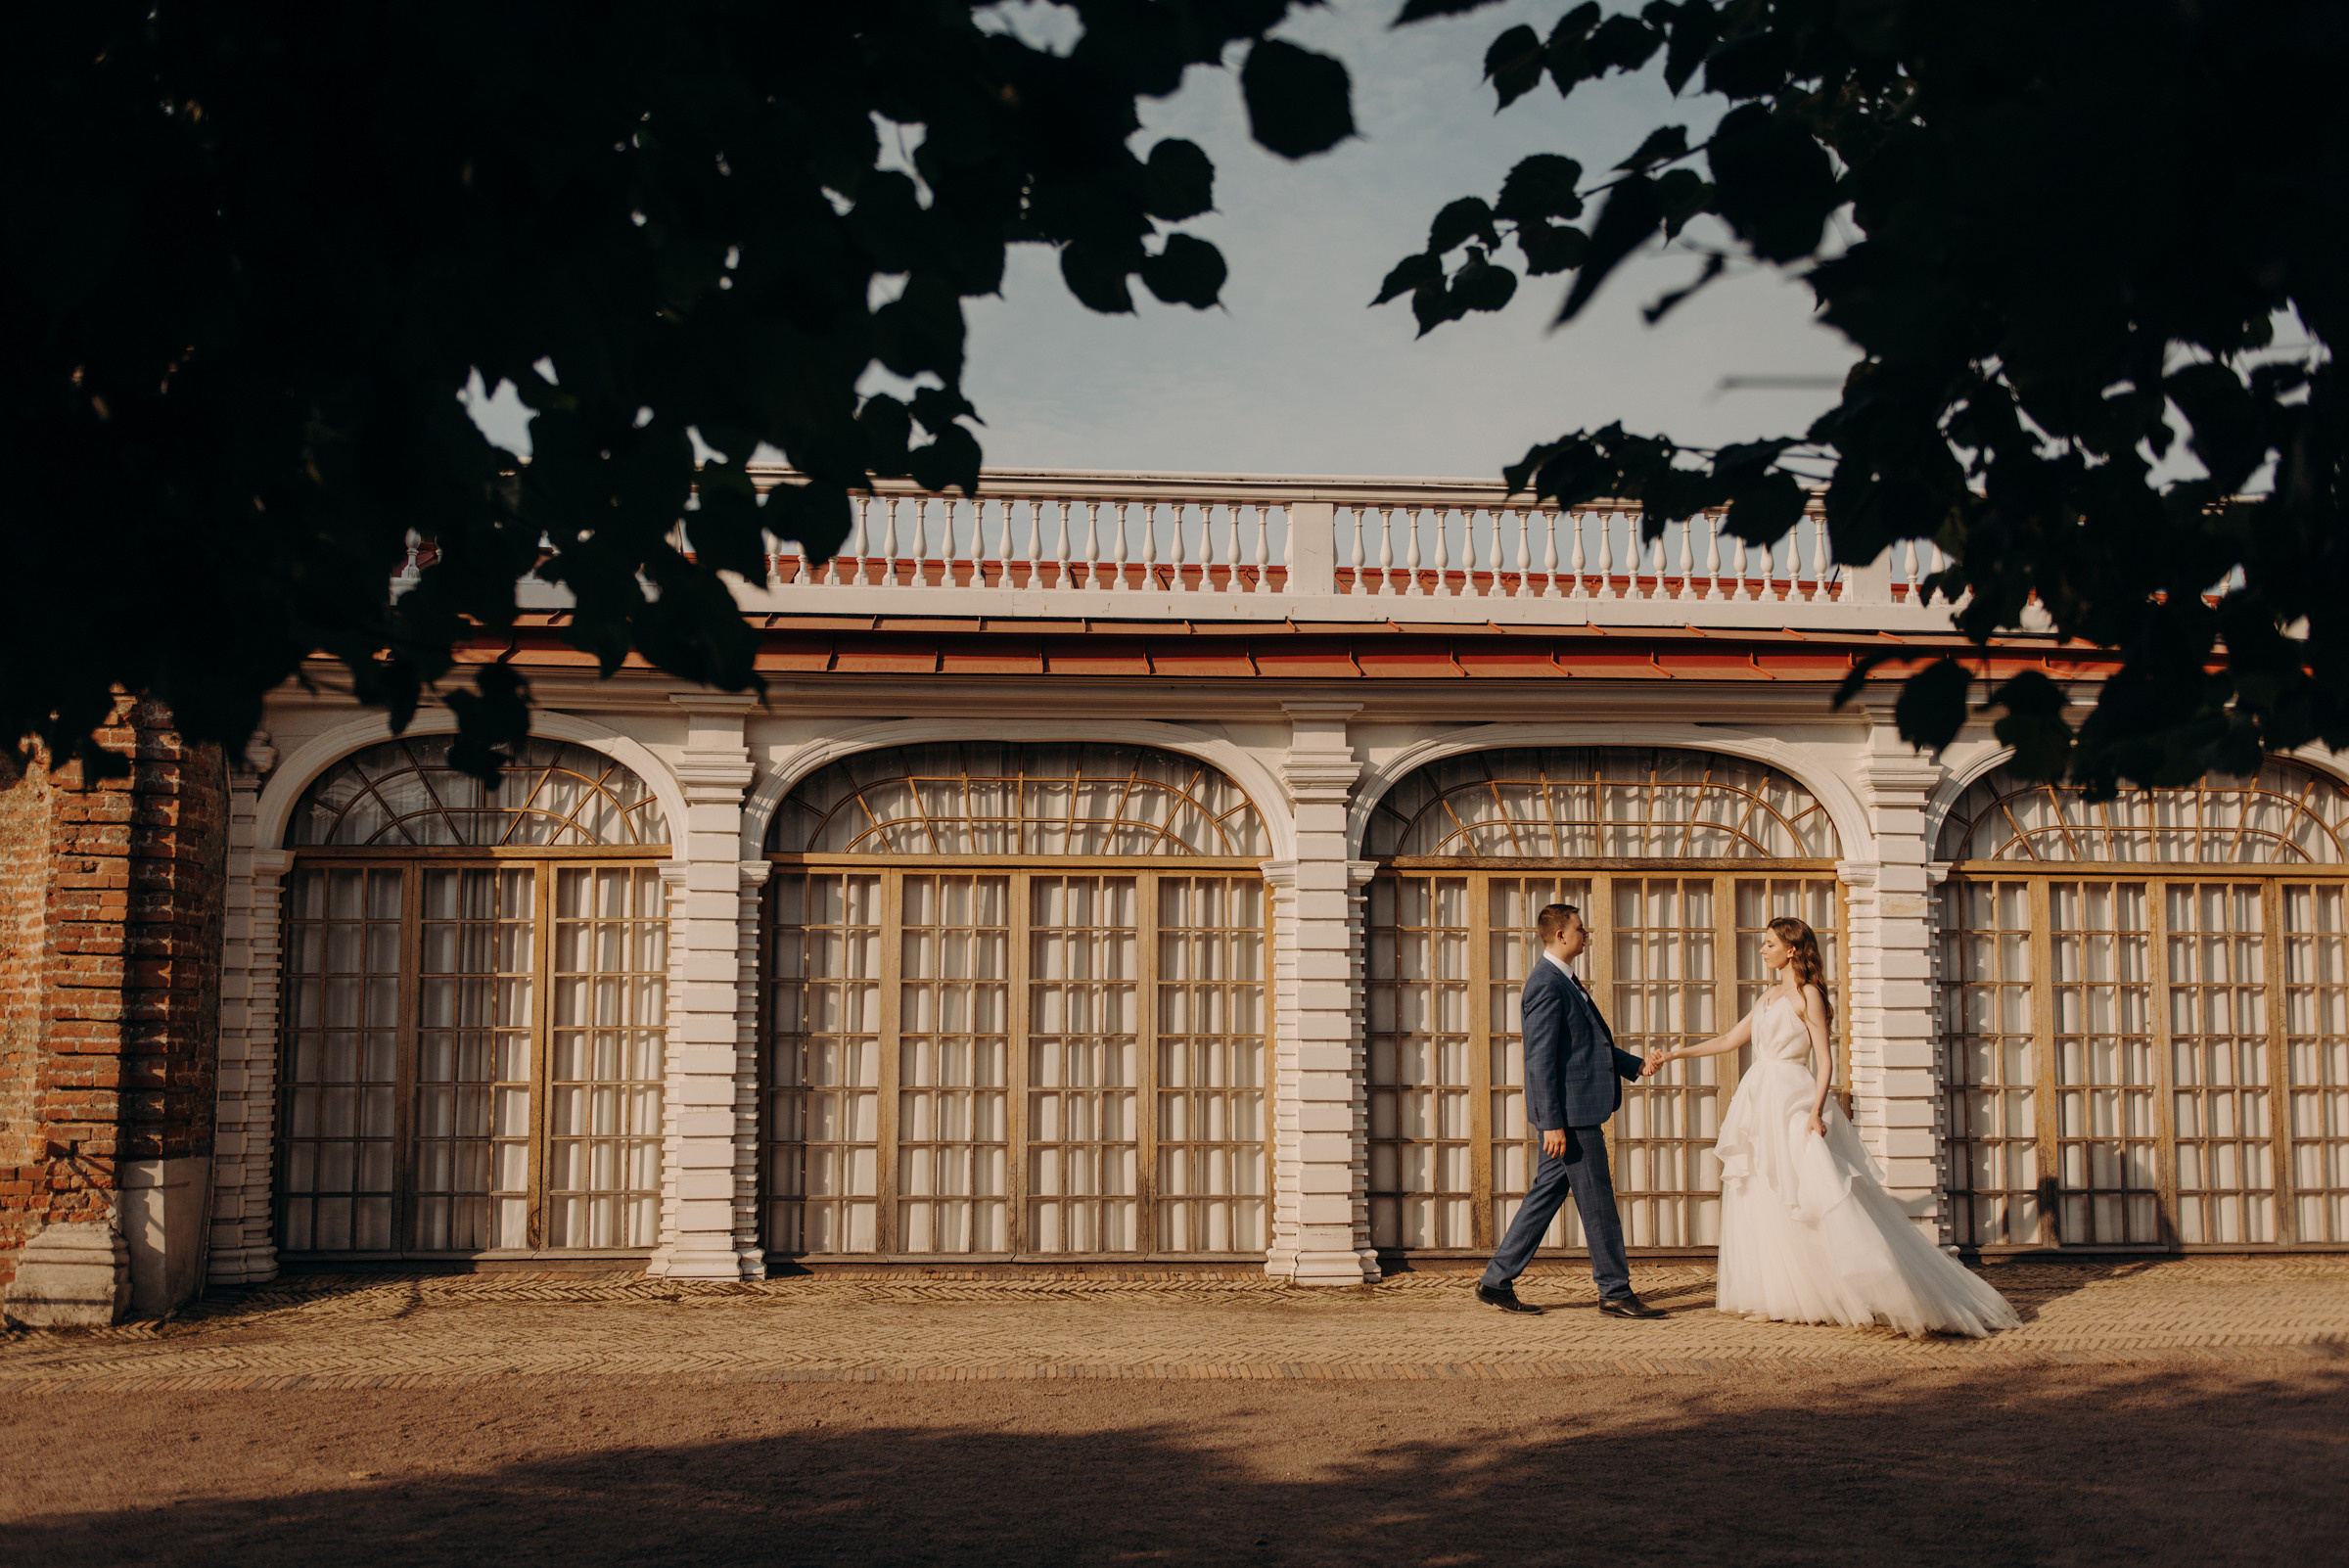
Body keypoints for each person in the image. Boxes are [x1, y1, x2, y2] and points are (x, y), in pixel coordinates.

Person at [1642, 916, 2019, 1338]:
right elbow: (1729, 1041)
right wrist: (1673, 1055)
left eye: (1769, 944)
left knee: (1806, 1191)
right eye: (1763, 943)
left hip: (1793, 1099)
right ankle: (1779, 1296)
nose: (1762, 949)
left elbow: (1824, 1061)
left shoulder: (1809, 995)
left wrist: (1815, 1111)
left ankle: (1853, 1286)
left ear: (1791, 950)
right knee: (1764, 1191)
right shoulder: (1768, 996)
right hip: (1759, 1099)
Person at [1475, 902, 1668, 1319]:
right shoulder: (1546, 984)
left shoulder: (1564, 979)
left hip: (1574, 1113)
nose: (1587, 934)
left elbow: (1588, 1047)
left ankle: (1496, 1280)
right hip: (1572, 1118)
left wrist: (1636, 1066)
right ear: (1561, 935)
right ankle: (1615, 1291)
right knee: (1598, 1205)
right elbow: (1539, 1060)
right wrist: (1552, 1124)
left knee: (1545, 1196)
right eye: (1581, 929)